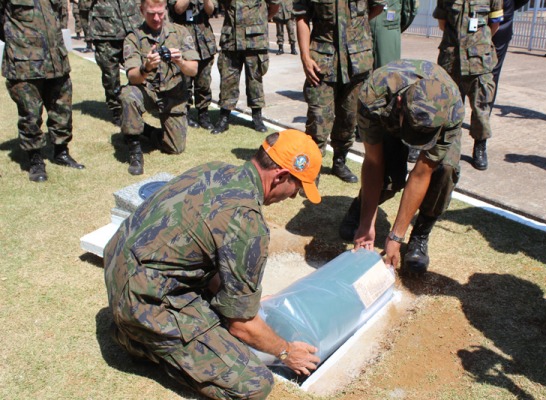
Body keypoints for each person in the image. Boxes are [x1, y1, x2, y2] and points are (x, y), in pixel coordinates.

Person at [104, 129, 322, 399]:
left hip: (119, 268)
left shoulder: (214, 170)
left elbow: (197, 248)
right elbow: (242, 326)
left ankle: (138, 327)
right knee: (254, 384)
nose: (292, 196)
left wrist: (244, 301)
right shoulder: (247, 224)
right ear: (280, 176)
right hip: (141, 302)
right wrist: (286, 351)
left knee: (224, 309)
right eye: (297, 187)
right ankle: (139, 340)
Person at [340, 60, 464, 275]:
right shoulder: (373, 95)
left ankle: (420, 235)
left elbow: (421, 172)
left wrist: (396, 236)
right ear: (399, 103)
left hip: (432, 120)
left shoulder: (452, 109)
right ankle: (359, 209)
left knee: (445, 171)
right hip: (388, 119)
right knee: (389, 175)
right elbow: (373, 162)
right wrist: (367, 223)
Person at [294, 0, 385, 183]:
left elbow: (378, 6)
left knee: (349, 118)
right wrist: (305, 57)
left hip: (357, 62)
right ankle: (313, 169)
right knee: (318, 119)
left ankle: (339, 161)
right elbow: (302, 17)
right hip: (322, 61)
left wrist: (354, 28)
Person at [1, 0, 85, 182]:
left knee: (62, 108)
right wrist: (18, 41)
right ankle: (35, 159)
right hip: (25, 60)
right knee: (30, 113)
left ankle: (61, 152)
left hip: (56, 58)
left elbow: (58, 15)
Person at [120, 0, 200, 175]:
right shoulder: (133, 37)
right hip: (148, 91)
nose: (156, 18)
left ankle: (147, 131)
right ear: (142, 11)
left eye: (160, 13)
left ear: (166, 9)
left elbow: (193, 69)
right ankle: (134, 149)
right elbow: (133, 76)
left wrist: (180, 61)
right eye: (150, 14)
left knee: (175, 148)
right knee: (128, 94)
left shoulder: (180, 32)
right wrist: (146, 67)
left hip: (173, 94)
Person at [433, 0, 503, 171]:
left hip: (478, 59)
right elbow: (442, 23)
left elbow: (494, 24)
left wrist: (477, 43)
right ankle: (447, 147)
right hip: (452, 59)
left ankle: (480, 146)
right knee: (449, 107)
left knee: (481, 107)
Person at [210, 0, 280, 135]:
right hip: (231, 38)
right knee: (228, 79)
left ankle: (257, 117)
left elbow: (274, 6)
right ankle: (224, 117)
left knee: (255, 79)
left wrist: (260, 22)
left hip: (254, 39)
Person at [368, 0, 419, 161]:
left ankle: (395, 134)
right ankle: (364, 127)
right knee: (363, 81)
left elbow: (410, 10)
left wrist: (392, 27)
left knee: (391, 85)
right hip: (363, 29)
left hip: (388, 28)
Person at [89, 0, 142, 126]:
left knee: (139, 68)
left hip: (132, 25)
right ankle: (117, 109)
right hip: (105, 28)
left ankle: (137, 103)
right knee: (110, 74)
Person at [168, 0, 218, 130]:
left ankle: (203, 114)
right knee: (185, 82)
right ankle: (186, 112)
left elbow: (210, 10)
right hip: (184, 42)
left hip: (204, 42)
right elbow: (178, 8)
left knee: (204, 82)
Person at [490, 0, 529, 110]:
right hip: (470, 22)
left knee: (492, 73)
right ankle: (455, 119)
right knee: (460, 71)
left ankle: (481, 121)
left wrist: (507, 7)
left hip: (500, 25)